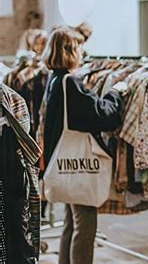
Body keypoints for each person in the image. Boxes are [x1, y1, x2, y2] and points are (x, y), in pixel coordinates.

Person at [42, 27, 124, 264]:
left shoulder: (54, 81)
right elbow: (102, 116)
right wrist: (115, 94)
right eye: (79, 47)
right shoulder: (70, 83)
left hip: (65, 162)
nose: (82, 52)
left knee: (71, 222)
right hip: (80, 165)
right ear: (71, 50)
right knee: (85, 227)